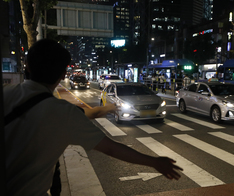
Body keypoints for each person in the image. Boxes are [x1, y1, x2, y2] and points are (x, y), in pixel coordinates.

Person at [4, 39, 183, 196]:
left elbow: (84, 115)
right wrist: (154, 162)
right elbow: (111, 148)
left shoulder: (6, 94)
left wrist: (100, 111)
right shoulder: (64, 113)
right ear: (63, 74)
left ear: (27, 65)